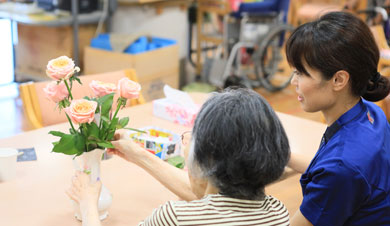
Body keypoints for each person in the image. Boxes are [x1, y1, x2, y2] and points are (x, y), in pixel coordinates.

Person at [67, 88, 291, 226]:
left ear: (207, 159)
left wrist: (88, 206)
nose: (185, 142)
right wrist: (138, 155)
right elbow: (214, 205)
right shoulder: (278, 213)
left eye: (191, 136)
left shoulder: (175, 216)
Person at [285, 12, 390, 226]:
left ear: (339, 79)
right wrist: (283, 156)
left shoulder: (342, 168)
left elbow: (338, 173)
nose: (293, 81)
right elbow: (331, 172)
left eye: (301, 73)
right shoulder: (370, 113)